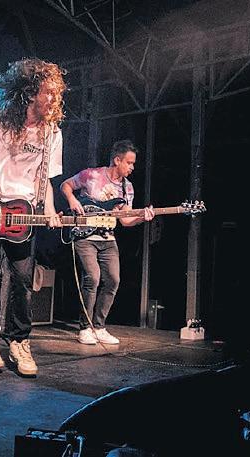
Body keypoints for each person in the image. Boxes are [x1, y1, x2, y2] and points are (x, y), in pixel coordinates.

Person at [0, 58, 66, 376]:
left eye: (56, 93)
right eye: (48, 92)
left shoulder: (51, 134)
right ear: (30, 92)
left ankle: (19, 341)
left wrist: (49, 210)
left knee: (22, 280)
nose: (53, 99)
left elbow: (45, 179)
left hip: (22, 214)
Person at [60, 140, 155, 345]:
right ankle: (85, 327)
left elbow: (126, 220)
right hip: (85, 236)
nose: (132, 167)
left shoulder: (127, 188)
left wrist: (142, 217)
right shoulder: (92, 175)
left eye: (133, 163)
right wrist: (72, 200)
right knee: (92, 278)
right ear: (117, 160)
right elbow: (65, 185)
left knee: (113, 280)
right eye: (129, 162)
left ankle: (99, 326)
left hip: (108, 238)